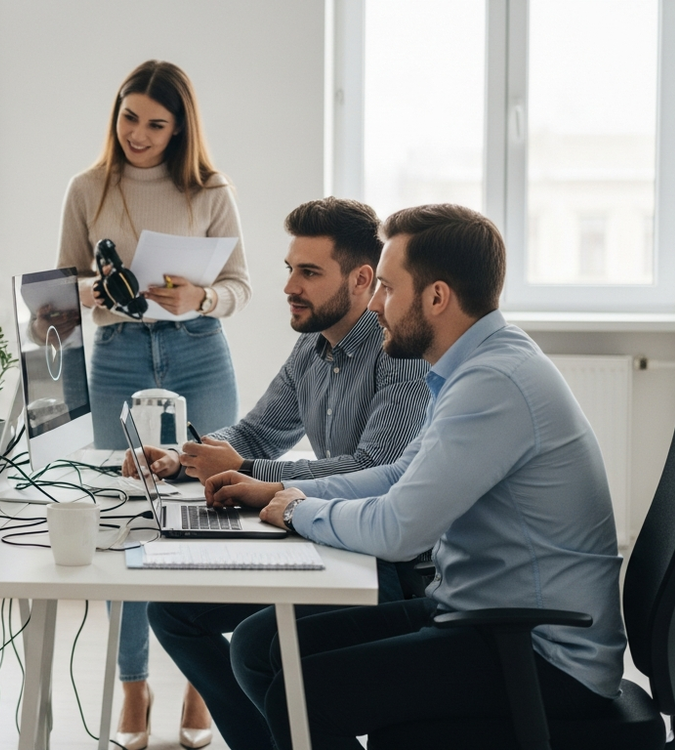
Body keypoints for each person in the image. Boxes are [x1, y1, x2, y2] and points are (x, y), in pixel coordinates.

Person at [207, 204, 625, 750]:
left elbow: (399, 530)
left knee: (300, 695)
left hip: (539, 651)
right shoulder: (472, 365)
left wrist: (296, 511)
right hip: (479, 617)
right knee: (261, 646)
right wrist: (286, 491)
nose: (374, 304)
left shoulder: (494, 382)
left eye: (386, 288)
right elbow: (400, 474)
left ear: (436, 297)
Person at [134, 198, 430, 749]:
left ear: (362, 279)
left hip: (382, 562)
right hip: (323, 534)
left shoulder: (399, 351)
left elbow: (375, 468)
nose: (290, 286)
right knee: (172, 610)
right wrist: (184, 458)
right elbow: (255, 432)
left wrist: (246, 472)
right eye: (290, 269)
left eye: (310, 273)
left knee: (257, 643)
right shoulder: (313, 346)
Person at [55, 59, 251, 749]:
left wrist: (204, 296)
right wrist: (94, 290)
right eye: (129, 117)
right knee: (128, 521)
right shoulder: (88, 188)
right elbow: (58, 294)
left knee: (214, 507)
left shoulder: (212, 190)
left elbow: (240, 286)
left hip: (199, 349)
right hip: (118, 353)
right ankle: (134, 686)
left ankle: (202, 684)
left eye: (155, 124)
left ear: (180, 129)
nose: (137, 133)